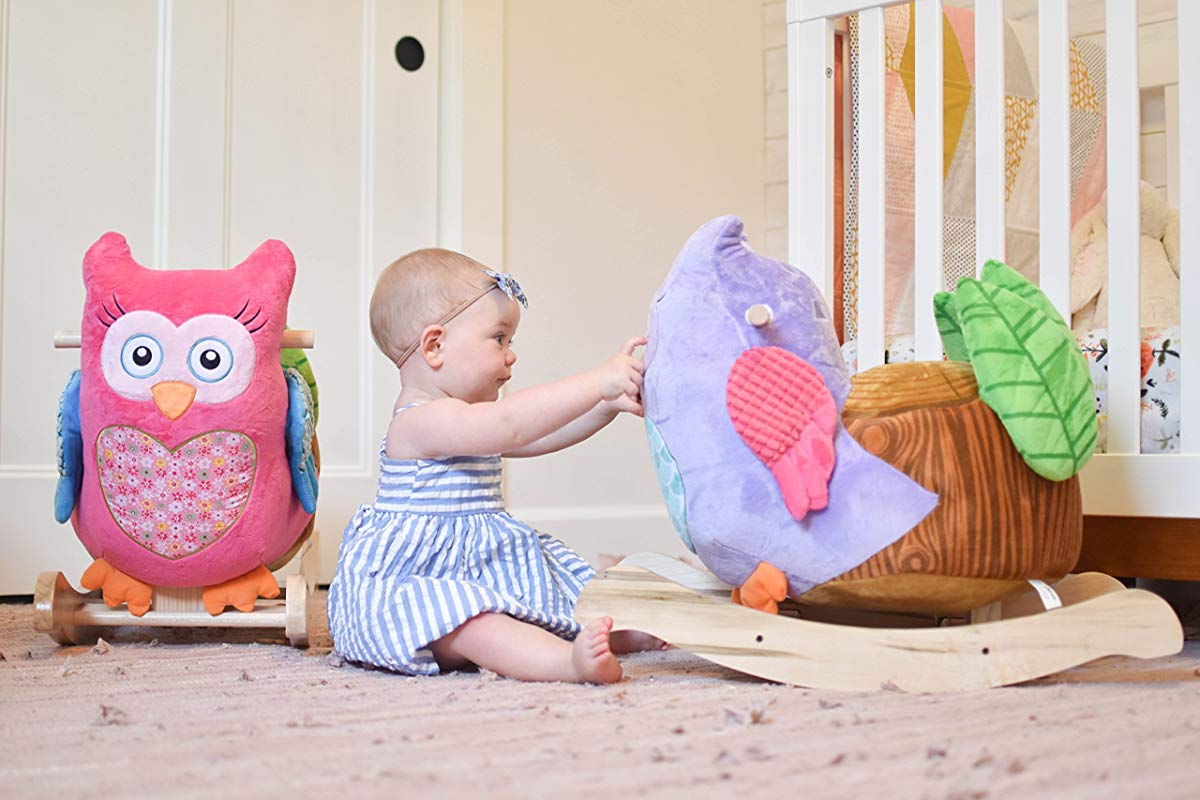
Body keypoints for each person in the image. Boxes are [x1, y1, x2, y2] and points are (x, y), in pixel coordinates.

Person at [327, 247, 657, 684]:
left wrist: (605, 405)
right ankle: (566, 664)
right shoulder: (420, 421)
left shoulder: (468, 423)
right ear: (436, 346)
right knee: (477, 625)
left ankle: (631, 630)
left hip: (477, 566)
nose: (510, 354)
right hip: (419, 586)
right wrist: (596, 380)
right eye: (499, 338)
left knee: (562, 597)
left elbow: (537, 437)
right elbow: (512, 425)